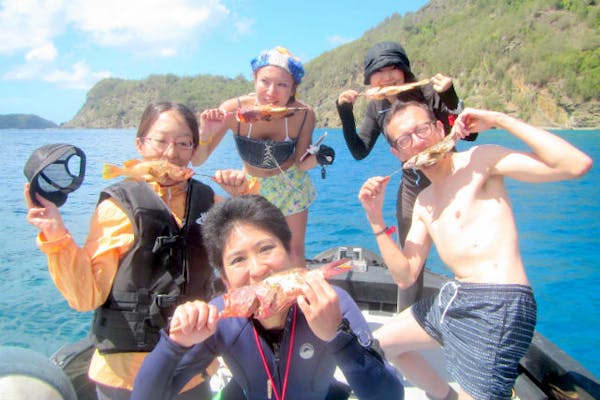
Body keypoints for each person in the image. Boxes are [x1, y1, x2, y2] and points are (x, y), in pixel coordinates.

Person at [358, 101, 592, 399]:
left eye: (422, 129)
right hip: (455, 297)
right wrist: (375, 218)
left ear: (440, 128)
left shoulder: (479, 161)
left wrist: (499, 119)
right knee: (378, 345)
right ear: (398, 153)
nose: (417, 141)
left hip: (499, 302)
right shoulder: (424, 201)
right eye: (405, 139)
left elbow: (574, 164)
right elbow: (406, 275)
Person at [24, 102, 253, 400]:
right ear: (140, 144)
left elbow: (255, 255)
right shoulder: (118, 208)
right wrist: (56, 236)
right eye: (160, 141)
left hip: (192, 369)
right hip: (126, 377)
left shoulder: (209, 201)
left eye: (184, 143)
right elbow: (85, 296)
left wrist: (245, 196)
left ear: (194, 149)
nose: (171, 153)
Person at [131, 195, 405, 400]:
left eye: (266, 249)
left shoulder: (333, 303)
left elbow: (390, 396)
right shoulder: (220, 321)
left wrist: (338, 337)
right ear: (225, 281)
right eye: (238, 259)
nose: (258, 269)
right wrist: (175, 343)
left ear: (291, 255)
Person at [337, 41, 477, 311]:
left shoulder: (427, 92)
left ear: (404, 70)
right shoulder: (376, 106)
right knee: (409, 259)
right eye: (378, 71)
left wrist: (450, 95)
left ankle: (472, 312)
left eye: (393, 68)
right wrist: (345, 113)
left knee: (465, 248)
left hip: (452, 179)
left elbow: (470, 134)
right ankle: (407, 317)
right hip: (413, 186)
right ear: (370, 79)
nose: (387, 76)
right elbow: (359, 150)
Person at [192, 46, 334, 267]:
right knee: (252, 254)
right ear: (254, 79)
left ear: (293, 87)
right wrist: (204, 135)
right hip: (250, 187)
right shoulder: (232, 110)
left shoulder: (304, 114)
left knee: (294, 252)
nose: (271, 92)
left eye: (282, 85)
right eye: (265, 82)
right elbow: (197, 160)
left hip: (290, 186)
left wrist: (319, 158)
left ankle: (296, 300)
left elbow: (301, 163)